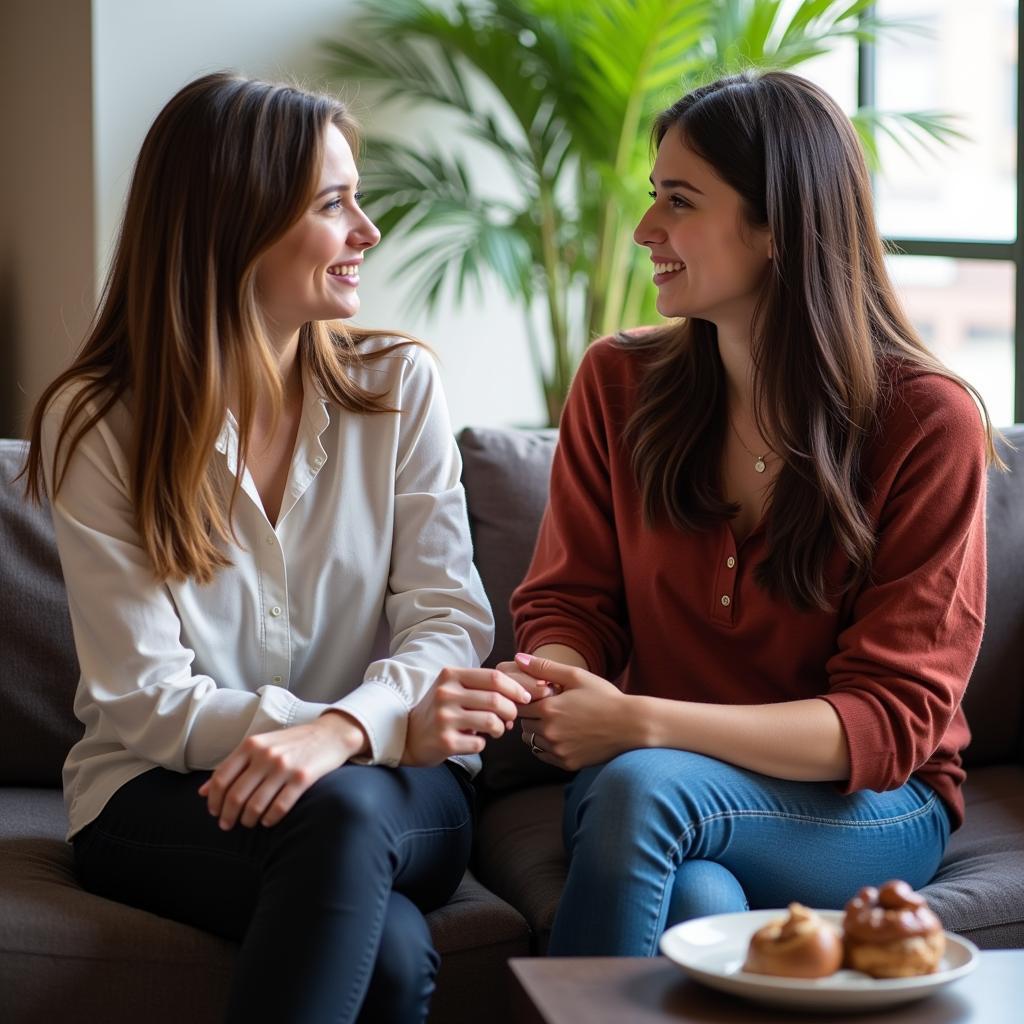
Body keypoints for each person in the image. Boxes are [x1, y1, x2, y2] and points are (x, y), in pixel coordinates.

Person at [22, 72, 532, 1023]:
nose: (366, 232)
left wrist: (345, 732)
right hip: (159, 796)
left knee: (341, 812)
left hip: (398, 789)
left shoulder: (399, 388)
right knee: (385, 957)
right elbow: (145, 700)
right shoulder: (102, 424)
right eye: (334, 204)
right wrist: (344, 727)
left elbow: (447, 618)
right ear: (234, 222)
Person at [505, 70, 1001, 957]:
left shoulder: (927, 421)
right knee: (697, 897)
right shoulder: (617, 384)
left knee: (642, 790)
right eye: (654, 197)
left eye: (680, 201)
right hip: (650, 792)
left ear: (778, 227)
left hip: (862, 806)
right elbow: (569, 603)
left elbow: (887, 719)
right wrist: (561, 678)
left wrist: (637, 723)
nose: (646, 230)